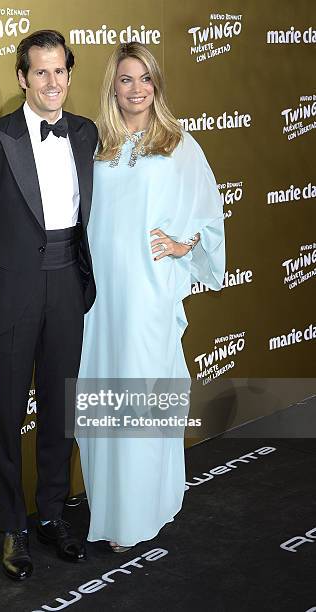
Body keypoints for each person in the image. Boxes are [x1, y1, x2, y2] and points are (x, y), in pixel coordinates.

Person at [0, 30, 98, 580]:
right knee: (8, 411)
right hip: (10, 289)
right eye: (40, 72)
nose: (52, 82)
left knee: (62, 408)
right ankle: (13, 526)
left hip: (67, 284)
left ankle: (54, 515)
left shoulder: (84, 133)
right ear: (22, 78)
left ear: (69, 74)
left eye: (60, 71)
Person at [76, 42, 225, 551]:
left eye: (144, 78)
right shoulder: (95, 145)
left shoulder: (180, 144)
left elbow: (210, 213)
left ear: (156, 84)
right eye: (125, 79)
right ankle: (112, 512)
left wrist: (185, 244)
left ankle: (140, 516)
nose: (136, 88)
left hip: (148, 293)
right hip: (100, 299)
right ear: (112, 87)